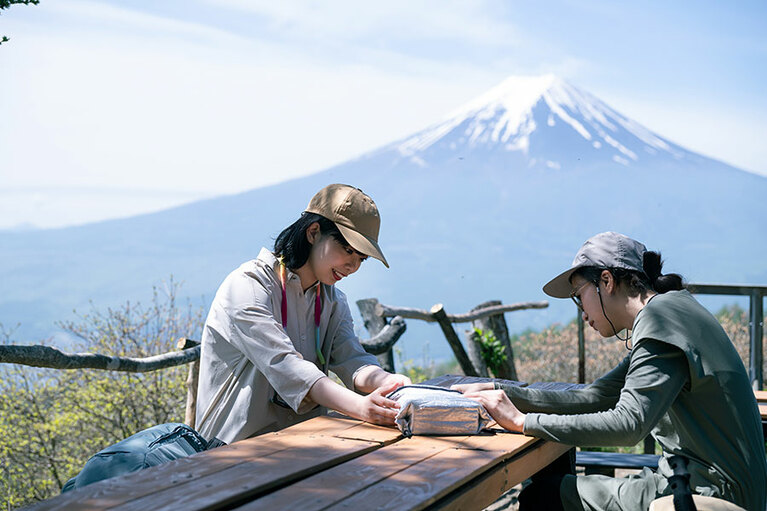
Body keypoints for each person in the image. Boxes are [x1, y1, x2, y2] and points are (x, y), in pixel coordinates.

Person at [454, 232, 766, 511]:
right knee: (551, 490)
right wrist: (502, 393)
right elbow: (597, 396)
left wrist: (523, 422)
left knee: (544, 497)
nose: (582, 313)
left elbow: (628, 425)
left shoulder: (660, 320)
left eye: (580, 297)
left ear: (607, 281)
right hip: (697, 481)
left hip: (708, 494)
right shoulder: (672, 310)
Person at [195, 184, 411, 447]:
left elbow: (352, 359)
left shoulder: (332, 300)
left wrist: (390, 382)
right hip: (229, 454)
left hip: (301, 450)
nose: (353, 265)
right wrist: (360, 406)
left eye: (361, 258)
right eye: (348, 249)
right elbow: (288, 366)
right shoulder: (249, 286)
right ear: (313, 232)